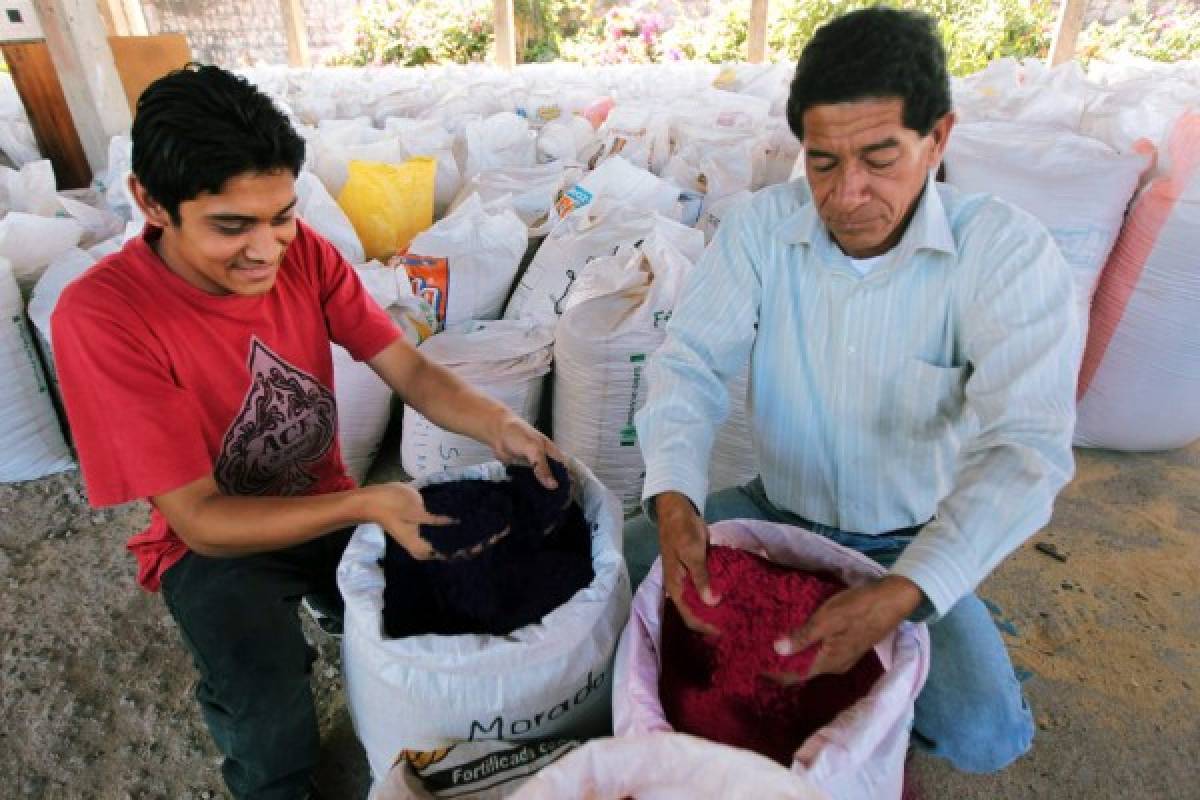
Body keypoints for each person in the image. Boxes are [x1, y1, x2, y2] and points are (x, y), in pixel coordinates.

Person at [51, 65, 561, 800]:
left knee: (446, 599)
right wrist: (366, 505)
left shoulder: (305, 253)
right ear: (151, 203)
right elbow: (200, 520)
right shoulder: (103, 318)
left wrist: (502, 423)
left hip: (319, 496)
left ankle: (330, 598)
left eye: (282, 215)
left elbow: (410, 372)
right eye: (231, 226)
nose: (265, 250)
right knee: (269, 718)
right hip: (215, 547)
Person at [626, 7, 1079, 773]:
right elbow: (690, 362)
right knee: (622, 567)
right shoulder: (763, 230)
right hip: (775, 511)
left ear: (938, 139)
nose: (847, 194)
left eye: (880, 157)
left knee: (984, 737)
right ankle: (936, 610)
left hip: (907, 536)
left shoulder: (1004, 254)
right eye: (824, 162)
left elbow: (1024, 450)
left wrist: (906, 591)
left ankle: (953, 601)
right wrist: (676, 500)